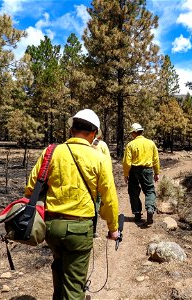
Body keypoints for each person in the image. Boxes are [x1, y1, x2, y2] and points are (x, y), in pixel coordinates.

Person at [24, 109, 119, 300]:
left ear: (71, 130)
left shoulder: (50, 152)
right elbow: (108, 197)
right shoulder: (99, 158)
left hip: (50, 227)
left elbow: (30, 189)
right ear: (93, 134)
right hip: (79, 230)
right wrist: (113, 228)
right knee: (74, 285)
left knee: (59, 270)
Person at [122, 122, 160, 225]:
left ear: (134, 133)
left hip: (134, 170)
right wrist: (156, 172)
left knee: (133, 192)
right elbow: (156, 159)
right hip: (147, 170)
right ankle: (150, 209)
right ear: (141, 132)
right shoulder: (151, 143)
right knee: (149, 191)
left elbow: (127, 162)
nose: (131, 135)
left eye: (131, 133)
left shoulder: (130, 145)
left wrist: (126, 174)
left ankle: (137, 214)